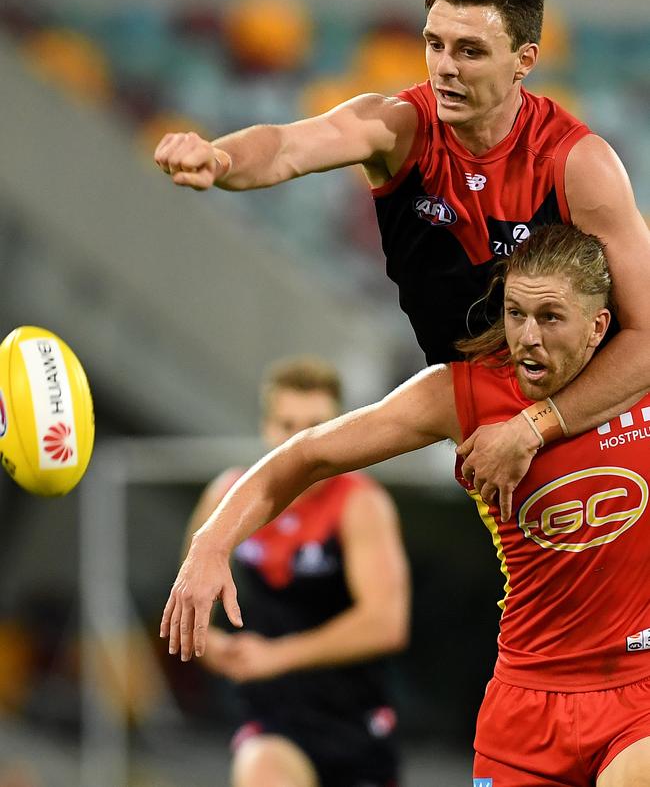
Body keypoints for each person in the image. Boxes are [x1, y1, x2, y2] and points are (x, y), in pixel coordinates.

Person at [153, 0, 650, 515]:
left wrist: (534, 427)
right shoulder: (398, 129)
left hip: (595, 418)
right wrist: (219, 157)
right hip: (476, 410)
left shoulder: (577, 164)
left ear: (524, 60)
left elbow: (647, 337)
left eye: (470, 51)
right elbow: (289, 147)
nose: (445, 68)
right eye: (434, 44)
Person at [162, 224, 650, 786]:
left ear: (599, 326)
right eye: (515, 313)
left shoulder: (636, 382)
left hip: (635, 691)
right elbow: (309, 455)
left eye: (551, 317)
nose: (527, 338)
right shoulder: (461, 395)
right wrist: (211, 542)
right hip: (527, 703)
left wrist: (534, 427)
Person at [181, 356, 410, 787]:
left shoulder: (361, 504)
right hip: (273, 722)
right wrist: (211, 646)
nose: (301, 441)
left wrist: (276, 656)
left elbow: (385, 624)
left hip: (355, 725)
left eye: (316, 426)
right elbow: (186, 606)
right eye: (288, 426)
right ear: (267, 428)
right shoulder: (227, 500)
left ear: (341, 429)